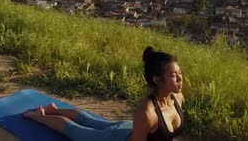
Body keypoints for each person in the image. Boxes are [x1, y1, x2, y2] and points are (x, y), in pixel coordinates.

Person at [23, 46, 185, 141]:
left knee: (90, 119)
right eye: (173, 75)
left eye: (179, 73)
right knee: (74, 131)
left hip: (129, 129)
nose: (180, 78)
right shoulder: (147, 112)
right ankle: (39, 116)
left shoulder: (177, 97)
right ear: (157, 79)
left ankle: (55, 109)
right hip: (115, 138)